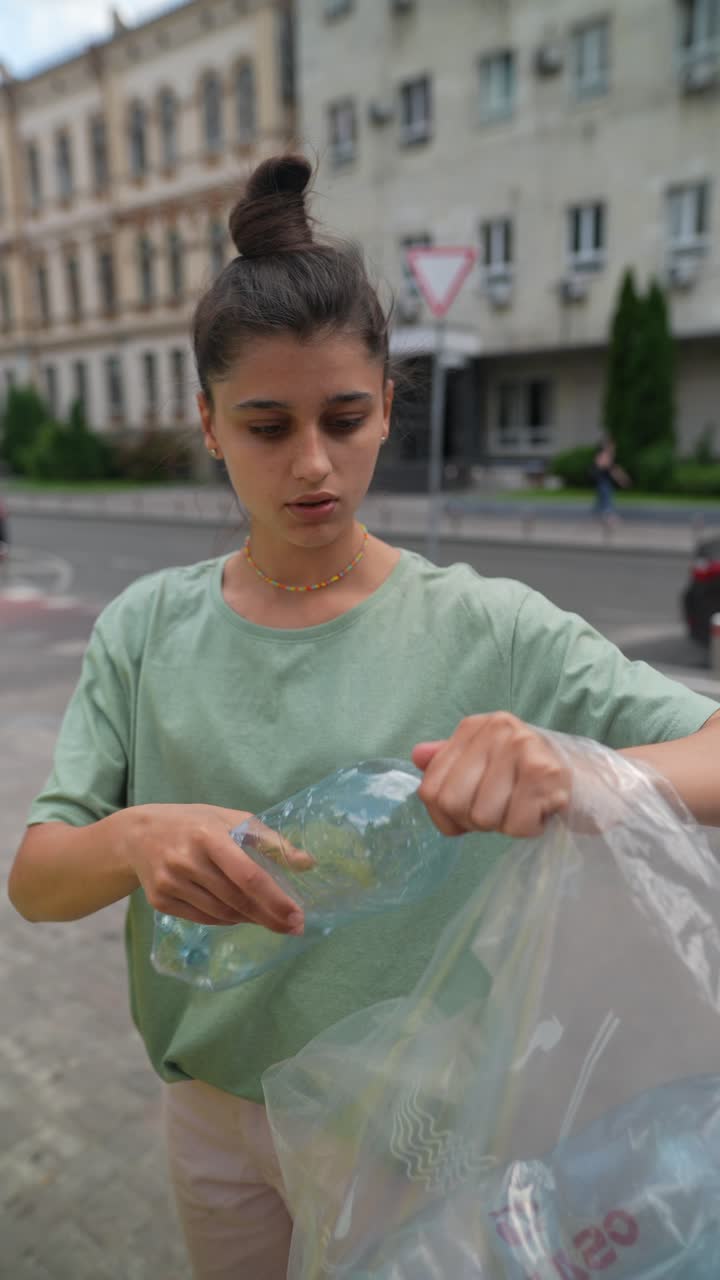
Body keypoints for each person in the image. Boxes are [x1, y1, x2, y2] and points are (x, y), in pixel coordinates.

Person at [7, 155, 720, 1280]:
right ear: (207, 423)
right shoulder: (145, 628)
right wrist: (133, 838)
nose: (313, 465)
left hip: (407, 1133)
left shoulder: (491, 627)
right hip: (210, 1111)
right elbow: (38, 878)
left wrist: (580, 770)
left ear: (388, 405)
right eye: (265, 425)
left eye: (344, 418)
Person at [591, 436, 630, 527]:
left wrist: (622, 478)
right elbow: (611, 469)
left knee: (602, 500)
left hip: (604, 481)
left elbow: (614, 469)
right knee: (607, 499)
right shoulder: (604, 455)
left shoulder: (606, 456)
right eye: (612, 446)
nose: (613, 448)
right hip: (603, 481)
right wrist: (621, 479)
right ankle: (610, 517)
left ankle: (601, 514)